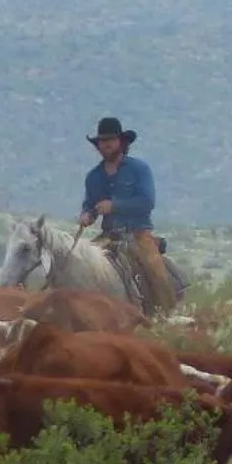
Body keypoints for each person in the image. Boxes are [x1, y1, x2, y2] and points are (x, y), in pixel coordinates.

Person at [76, 116, 176, 316]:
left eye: (111, 140)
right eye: (103, 141)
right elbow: (89, 205)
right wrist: (86, 215)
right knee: (80, 265)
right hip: (108, 235)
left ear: (121, 142)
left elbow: (147, 202)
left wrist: (114, 206)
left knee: (155, 269)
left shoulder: (139, 169)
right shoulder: (93, 177)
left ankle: (167, 314)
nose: (106, 145)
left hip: (138, 233)